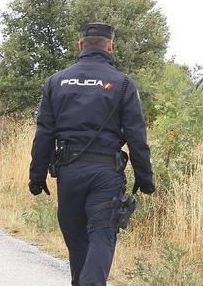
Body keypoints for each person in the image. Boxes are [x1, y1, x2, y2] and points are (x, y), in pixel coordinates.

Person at [28, 22, 155, 286]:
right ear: (110, 46)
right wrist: (145, 178)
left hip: (69, 174)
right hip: (106, 174)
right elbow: (136, 136)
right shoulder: (122, 83)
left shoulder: (56, 82)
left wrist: (37, 176)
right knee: (102, 235)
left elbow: (44, 134)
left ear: (80, 45)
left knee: (77, 240)